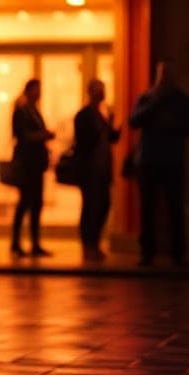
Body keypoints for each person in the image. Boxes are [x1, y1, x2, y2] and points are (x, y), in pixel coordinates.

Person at [129, 60, 189, 267]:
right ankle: (147, 252)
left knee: (175, 208)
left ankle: (178, 253)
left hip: (173, 161)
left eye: (167, 74)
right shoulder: (147, 98)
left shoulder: (183, 101)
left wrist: (173, 124)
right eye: (161, 74)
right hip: (149, 161)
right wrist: (155, 102)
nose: (164, 78)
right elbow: (133, 121)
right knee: (147, 209)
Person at [73, 79, 121, 260]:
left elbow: (111, 138)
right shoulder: (84, 115)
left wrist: (113, 124)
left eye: (103, 89)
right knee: (90, 206)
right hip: (89, 170)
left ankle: (95, 241)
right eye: (99, 90)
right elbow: (84, 141)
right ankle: (88, 244)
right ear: (90, 92)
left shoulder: (101, 114)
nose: (102, 93)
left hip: (102, 169)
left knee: (104, 204)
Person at [11, 79, 54, 257]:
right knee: (25, 203)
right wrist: (42, 135)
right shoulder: (22, 111)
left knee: (36, 203)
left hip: (36, 164)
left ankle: (34, 242)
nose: (39, 93)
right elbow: (21, 136)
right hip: (28, 164)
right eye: (37, 89)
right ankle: (16, 242)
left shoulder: (33, 110)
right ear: (29, 90)